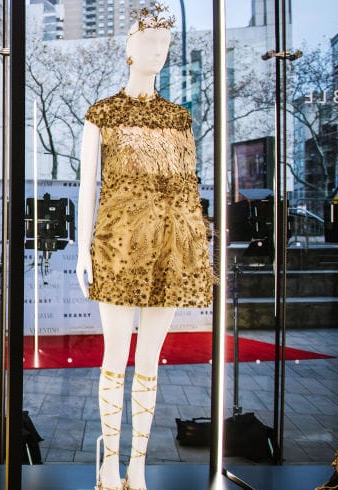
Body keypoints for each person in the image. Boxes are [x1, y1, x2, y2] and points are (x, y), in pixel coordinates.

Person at [75, 4, 213, 490]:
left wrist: (196, 249)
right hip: (117, 244)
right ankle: (110, 463)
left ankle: (138, 464)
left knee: (150, 361)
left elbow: (188, 188)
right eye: (149, 42)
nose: (158, 51)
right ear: (129, 49)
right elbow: (87, 186)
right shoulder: (103, 113)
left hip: (171, 246)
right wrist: (82, 249)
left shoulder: (179, 119)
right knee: (116, 357)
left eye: (164, 44)